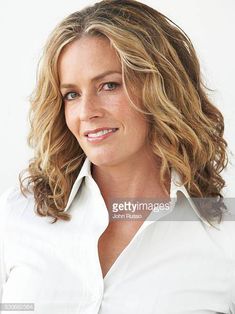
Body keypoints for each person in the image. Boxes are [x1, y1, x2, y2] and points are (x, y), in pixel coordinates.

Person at [0, 0, 234, 313]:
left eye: (109, 85)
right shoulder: (17, 215)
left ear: (162, 89)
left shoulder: (224, 235)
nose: (86, 112)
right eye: (72, 94)